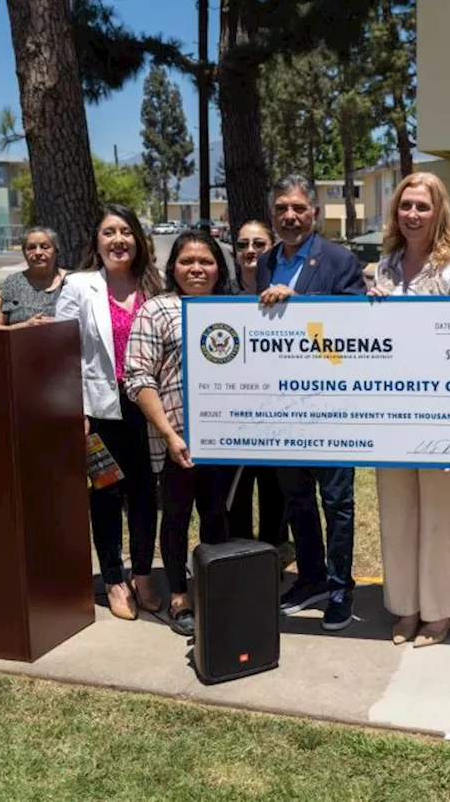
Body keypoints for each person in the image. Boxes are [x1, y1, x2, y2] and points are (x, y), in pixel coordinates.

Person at [370, 172, 450, 648]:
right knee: (397, 511)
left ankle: (441, 611)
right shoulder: (383, 268)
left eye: (423, 207)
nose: (413, 215)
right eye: (406, 206)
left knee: (439, 516)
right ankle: (406, 608)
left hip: (439, 412)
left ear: (439, 213)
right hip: (390, 411)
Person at [256, 175, 367, 631]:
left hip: (331, 401)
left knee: (337, 502)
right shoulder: (265, 263)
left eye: (299, 208)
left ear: (315, 214)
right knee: (296, 499)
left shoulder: (340, 260)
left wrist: (301, 304)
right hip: (284, 406)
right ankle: (311, 579)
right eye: (282, 207)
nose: (290, 216)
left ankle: (341, 588)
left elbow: (356, 320)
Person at [56, 205, 166, 620]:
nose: (118, 239)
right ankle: (114, 580)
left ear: (137, 239)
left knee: (144, 495)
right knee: (105, 494)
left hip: (147, 410)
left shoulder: (154, 286)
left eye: (125, 232)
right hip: (100, 413)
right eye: (109, 233)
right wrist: (75, 410)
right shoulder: (80, 286)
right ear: (97, 242)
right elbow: (63, 351)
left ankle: (142, 574)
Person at [125, 231, 235, 636]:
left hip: (226, 439)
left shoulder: (234, 310)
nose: (196, 268)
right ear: (173, 267)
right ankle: (179, 596)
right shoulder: (156, 310)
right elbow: (137, 377)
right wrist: (170, 435)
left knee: (217, 514)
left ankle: (215, 588)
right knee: (175, 516)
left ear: (219, 268)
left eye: (205, 261)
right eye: (187, 261)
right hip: (177, 439)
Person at [228, 219, 289, 557]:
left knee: (275, 493)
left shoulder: (286, 294)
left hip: (279, 413)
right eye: (242, 244)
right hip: (235, 414)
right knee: (236, 496)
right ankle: (241, 562)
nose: (250, 251)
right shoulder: (222, 295)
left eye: (259, 244)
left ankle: (273, 557)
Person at [0, 227, 66, 328]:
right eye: (31, 248)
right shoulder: (12, 284)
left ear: (56, 251)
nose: (38, 253)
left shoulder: (71, 282)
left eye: (45, 247)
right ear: (24, 253)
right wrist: (25, 326)